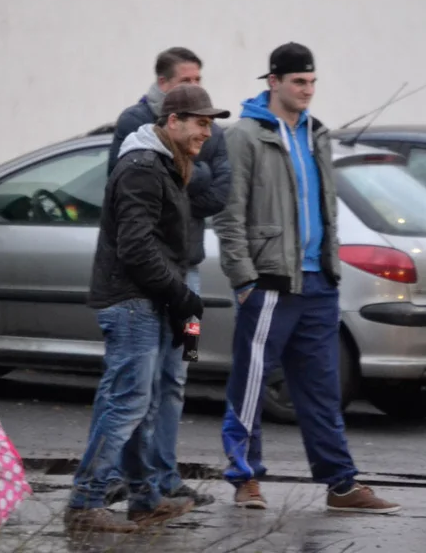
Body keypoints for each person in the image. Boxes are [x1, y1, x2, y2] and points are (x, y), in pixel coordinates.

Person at [213, 42, 400, 514]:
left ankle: (340, 483)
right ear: (273, 82)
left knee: (322, 388)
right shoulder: (245, 135)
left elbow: (326, 208)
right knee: (251, 383)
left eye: (312, 82)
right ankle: (245, 478)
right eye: (298, 82)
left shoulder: (317, 134)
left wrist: (332, 268)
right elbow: (228, 215)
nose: (307, 90)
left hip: (318, 284)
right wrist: (244, 279)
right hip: (270, 283)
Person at [65, 84, 230, 534]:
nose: (207, 132)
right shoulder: (142, 167)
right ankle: (85, 502)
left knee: (144, 401)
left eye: (210, 123)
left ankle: (145, 499)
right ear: (172, 122)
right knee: (128, 402)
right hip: (132, 302)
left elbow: (162, 242)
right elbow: (136, 247)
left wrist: (178, 301)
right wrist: (178, 293)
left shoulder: (166, 162)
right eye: (200, 123)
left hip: (150, 299)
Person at [103, 46, 230, 508]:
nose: (196, 88)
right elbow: (140, 195)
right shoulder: (133, 126)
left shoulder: (206, 128)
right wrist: (190, 179)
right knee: (143, 382)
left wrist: (186, 182)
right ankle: (134, 480)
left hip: (188, 276)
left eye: (200, 78)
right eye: (186, 80)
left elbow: (219, 194)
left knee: (179, 371)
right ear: (164, 88)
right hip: (155, 280)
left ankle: (166, 474)